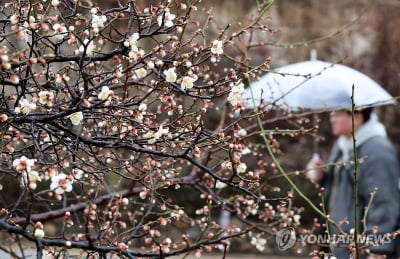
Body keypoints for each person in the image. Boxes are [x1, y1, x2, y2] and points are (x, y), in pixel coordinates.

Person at [306, 108, 400, 259]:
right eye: (331, 114)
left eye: (337, 114)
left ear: (357, 116)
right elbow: (341, 189)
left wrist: (376, 250)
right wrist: (321, 176)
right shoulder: (342, 145)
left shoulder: (377, 151)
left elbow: (384, 203)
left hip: (361, 251)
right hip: (339, 245)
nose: (332, 119)